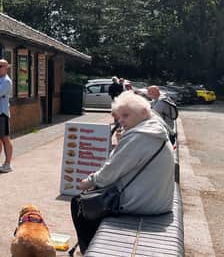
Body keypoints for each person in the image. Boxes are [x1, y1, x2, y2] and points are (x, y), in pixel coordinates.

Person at [70, 91, 174, 254]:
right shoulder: (155, 129)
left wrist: (87, 181)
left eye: (126, 116)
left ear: (144, 112)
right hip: (159, 201)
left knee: (79, 203)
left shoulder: (139, 136)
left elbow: (108, 174)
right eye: (119, 117)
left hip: (143, 205)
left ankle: (89, 250)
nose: (121, 122)